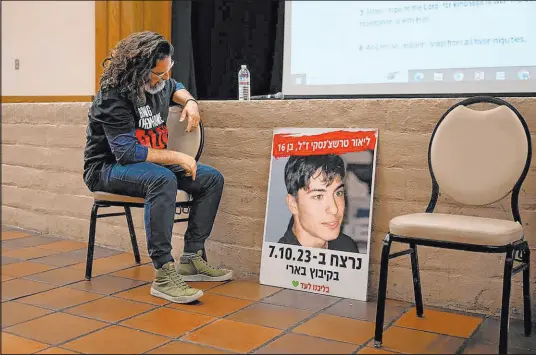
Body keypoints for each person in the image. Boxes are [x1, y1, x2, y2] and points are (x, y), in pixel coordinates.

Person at [83, 31, 232, 304]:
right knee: (162, 180)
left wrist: (190, 101)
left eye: (166, 71)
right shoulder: (112, 96)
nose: (161, 80)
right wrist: (177, 156)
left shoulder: (161, 83)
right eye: (156, 75)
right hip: (107, 168)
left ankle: (192, 259)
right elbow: (128, 153)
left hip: (147, 164)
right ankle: (164, 273)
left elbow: (175, 85)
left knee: (211, 179)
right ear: (136, 71)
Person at [278, 154, 359, 253]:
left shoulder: (347, 247)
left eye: (338, 193)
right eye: (318, 196)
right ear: (293, 204)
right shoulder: (280, 263)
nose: (334, 209)